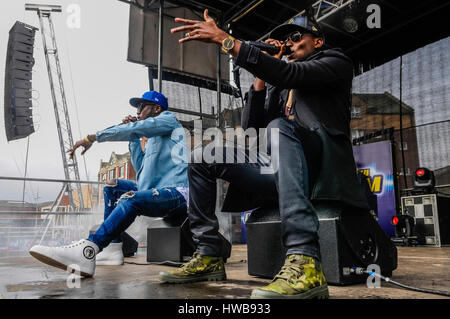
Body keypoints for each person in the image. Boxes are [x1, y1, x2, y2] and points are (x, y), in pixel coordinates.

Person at [160, 10, 369, 299]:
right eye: (285, 40)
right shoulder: (280, 86)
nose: (290, 44)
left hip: (320, 165)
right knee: (201, 156)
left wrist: (227, 41)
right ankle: (209, 252)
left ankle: (305, 259)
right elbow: (251, 127)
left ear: (317, 42)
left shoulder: (334, 62)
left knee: (280, 126)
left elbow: (290, 74)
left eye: (296, 37)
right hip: (280, 165)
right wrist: (260, 78)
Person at [29, 91, 189, 277]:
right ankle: (112, 249)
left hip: (178, 194)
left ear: (156, 108)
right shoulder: (153, 138)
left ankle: (88, 250)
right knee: (113, 186)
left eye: (141, 106)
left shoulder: (169, 120)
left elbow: (137, 128)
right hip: (155, 190)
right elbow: (140, 169)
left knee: (130, 197)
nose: (137, 111)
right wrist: (134, 138)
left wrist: (92, 137)